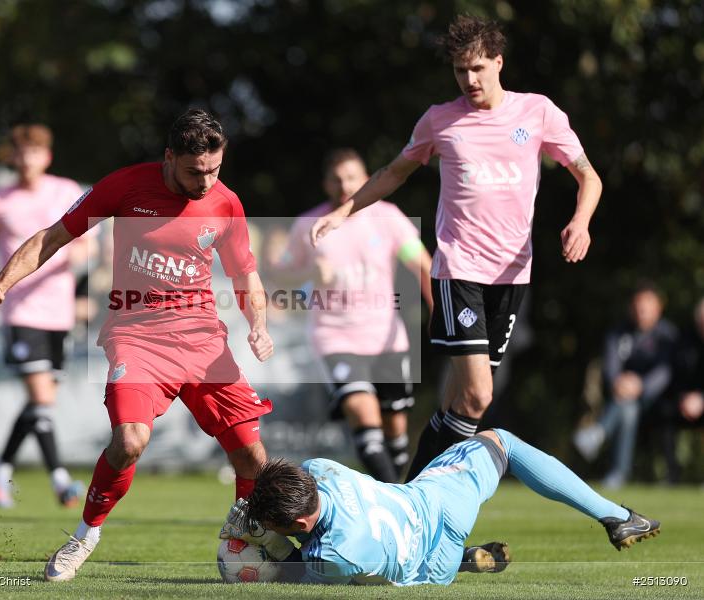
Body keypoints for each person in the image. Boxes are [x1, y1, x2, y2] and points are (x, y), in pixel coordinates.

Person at [0, 109, 275, 582]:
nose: (206, 181)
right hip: (136, 336)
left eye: (215, 169)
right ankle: (85, 535)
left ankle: (242, 537)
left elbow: (245, 273)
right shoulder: (126, 186)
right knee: (130, 440)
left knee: (253, 458)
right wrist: (0, 284)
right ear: (169, 157)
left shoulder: (225, 202)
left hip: (200, 340)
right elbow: (53, 237)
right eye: (195, 171)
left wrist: (258, 322)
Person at [309, 15, 603, 482]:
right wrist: (344, 211)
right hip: (458, 270)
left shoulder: (538, 112)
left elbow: (588, 175)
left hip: (513, 277)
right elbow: (392, 173)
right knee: (479, 397)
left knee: (456, 404)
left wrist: (581, 222)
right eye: (460, 70)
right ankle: (424, 498)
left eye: (478, 68)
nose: (469, 79)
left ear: (499, 63)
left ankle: (412, 497)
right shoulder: (439, 120)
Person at [232, 429, 659, 586]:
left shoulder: (333, 557)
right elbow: (307, 528)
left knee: (371, 577)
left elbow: (288, 571)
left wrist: (249, 557)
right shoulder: (318, 469)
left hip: (429, 565)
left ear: (301, 520)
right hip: (436, 499)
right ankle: (616, 516)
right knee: (500, 442)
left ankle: (457, 560)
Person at [270, 148, 433, 482]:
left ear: (367, 179)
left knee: (395, 426)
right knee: (362, 413)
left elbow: (421, 264)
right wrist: (309, 273)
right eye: (337, 179)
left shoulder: (387, 218)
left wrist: (439, 309)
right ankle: (398, 499)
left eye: (352, 177)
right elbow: (280, 274)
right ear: (325, 183)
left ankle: (398, 486)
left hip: (386, 336)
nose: (345, 185)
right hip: (335, 337)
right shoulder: (309, 226)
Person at [0, 124, 86, 509]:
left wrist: (67, 260)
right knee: (41, 398)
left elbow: (85, 247)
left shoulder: (67, 192)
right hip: (18, 310)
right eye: (21, 152)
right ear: (12, 158)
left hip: (59, 312)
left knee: (40, 402)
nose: (27, 158)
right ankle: (61, 479)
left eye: (35, 151)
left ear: (47, 156)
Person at [573, 282, 678, 488]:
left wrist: (641, 385)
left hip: (658, 401)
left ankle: (599, 434)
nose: (642, 312)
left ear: (658, 308)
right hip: (622, 397)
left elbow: (665, 372)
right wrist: (619, 383)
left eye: (647, 307)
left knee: (628, 406)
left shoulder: (668, 335)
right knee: (628, 409)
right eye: (638, 307)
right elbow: (611, 367)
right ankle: (618, 473)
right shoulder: (618, 332)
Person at [660, 297, 704, 484]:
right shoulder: (684, 341)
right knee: (663, 413)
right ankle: (672, 475)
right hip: (683, 403)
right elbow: (674, 375)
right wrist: (683, 398)